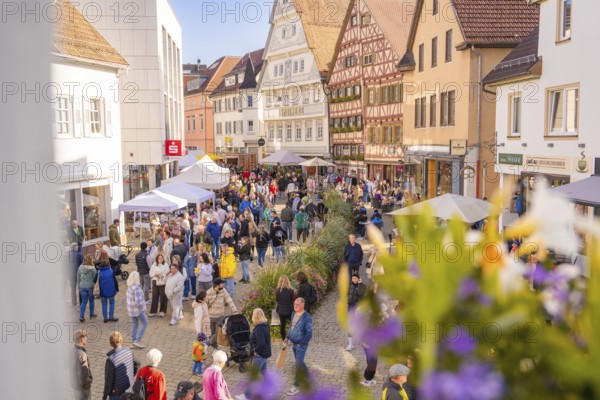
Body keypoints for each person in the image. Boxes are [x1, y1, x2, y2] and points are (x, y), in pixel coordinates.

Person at [236, 308, 272, 400]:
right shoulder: (265, 325)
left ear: (255, 316)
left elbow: (261, 343)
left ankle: (247, 396)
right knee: (264, 373)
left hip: (259, 355)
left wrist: (255, 351)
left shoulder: (259, 328)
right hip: (265, 354)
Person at [285, 298, 313, 396]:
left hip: (301, 346)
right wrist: (287, 337)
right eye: (294, 304)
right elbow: (290, 327)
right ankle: (309, 376)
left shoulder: (307, 317)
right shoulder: (293, 314)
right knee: (299, 361)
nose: (295, 305)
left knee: (298, 365)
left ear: (303, 305)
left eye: (297, 304)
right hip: (293, 344)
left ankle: (296, 386)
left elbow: (309, 333)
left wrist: (301, 343)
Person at [102, 331, 135, 400]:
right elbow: (138, 363)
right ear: (121, 340)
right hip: (128, 388)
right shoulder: (129, 351)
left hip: (116, 393)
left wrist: (105, 395)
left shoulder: (111, 359)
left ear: (110, 343)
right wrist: (131, 375)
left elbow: (109, 380)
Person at [206, 278, 238, 348]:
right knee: (212, 334)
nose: (223, 285)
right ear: (217, 285)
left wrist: (235, 311)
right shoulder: (208, 292)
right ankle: (215, 349)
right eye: (222, 284)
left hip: (220, 317)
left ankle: (207, 343)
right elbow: (205, 304)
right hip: (211, 317)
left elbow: (229, 300)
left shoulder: (223, 291)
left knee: (218, 334)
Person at [126, 271, 148, 348]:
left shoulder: (129, 287)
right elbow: (139, 302)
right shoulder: (137, 288)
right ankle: (137, 340)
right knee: (145, 323)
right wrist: (143, 309)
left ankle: (133, 342)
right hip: (138, 311)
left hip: (131, 311)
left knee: (135, 325)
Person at [97, 250, 119, 323]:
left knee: (104, 304)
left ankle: (105, 318)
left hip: (103, 291)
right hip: (111, 291)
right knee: (112, 303)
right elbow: (115, 281)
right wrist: (117, 289)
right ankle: (111, 316)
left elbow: (96, 281)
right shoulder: (111, 271)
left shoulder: (99, 272)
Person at [346, 273, 366, 351]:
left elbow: (362, 294)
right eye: (353, 278)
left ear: (359, 279)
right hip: (350, 307)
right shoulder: (350, 285)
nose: (354, 280)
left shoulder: (362, 286)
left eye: (355, 278)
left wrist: (360, 284)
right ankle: (350, 344)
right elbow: (347, 293)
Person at [72, 330, 93, 400]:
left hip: (75, 386)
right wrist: (88, 383)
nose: (86, 339)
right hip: (83, 389)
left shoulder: (71, 350)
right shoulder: (82, 354)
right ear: (81, 339)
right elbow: (84, 374)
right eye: (85, 337)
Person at [77, 254, 97, 322]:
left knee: (83, 302)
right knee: (91, 300)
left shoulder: (80, 267)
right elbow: (95, 277)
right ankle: (91, 314)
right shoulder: (93, 268)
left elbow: (78, 277)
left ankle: (81, 316)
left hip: (82, 287)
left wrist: (79, 286)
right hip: (90, 287)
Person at [275, 275, 295, 340]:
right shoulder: (291, 290)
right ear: (288, 281)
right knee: (293, 324)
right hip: (289, 310)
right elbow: (293, 299)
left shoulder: (277, 290)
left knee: (282, 326)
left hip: (281, 311)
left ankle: (284, 339)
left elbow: (277, 300)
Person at [165, 261, 185, 326]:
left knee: (176, 306)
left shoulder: (179, 276)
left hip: (176, 295)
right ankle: (177, 316)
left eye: (173, 268)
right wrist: (166, 274)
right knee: (174, 307)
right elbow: (165, 280)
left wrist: (174, 291)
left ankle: (174, 319)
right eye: (171, 268)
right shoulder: (170, 275)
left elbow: (180, 287)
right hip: (169, 295)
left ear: (177, 269)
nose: (171, 270)